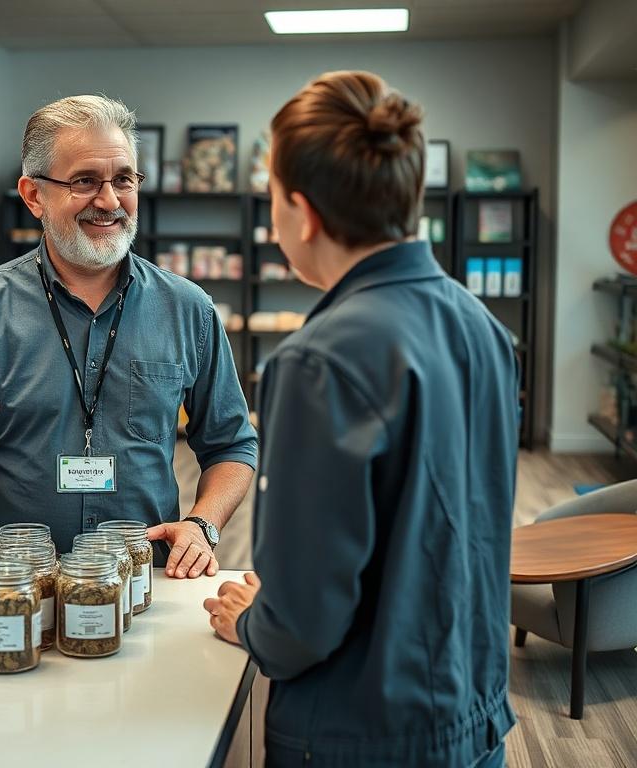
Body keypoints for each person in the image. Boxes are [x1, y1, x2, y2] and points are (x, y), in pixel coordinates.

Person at [203, 71, 518, 767]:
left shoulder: (318, 361)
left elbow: (303, 623)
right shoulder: (481, 327)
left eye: (272, 200)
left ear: (303, 212)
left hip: (361, 734)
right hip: (470, 709)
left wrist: (255, 623)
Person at [0, 95, 257, 576]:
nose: (109, 201)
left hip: (141, 581)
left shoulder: (188, 308)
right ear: (33, 196)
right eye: (85, 181)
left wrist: (203, 524)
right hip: (8, 592)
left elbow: (232, 445)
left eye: (124, 180)